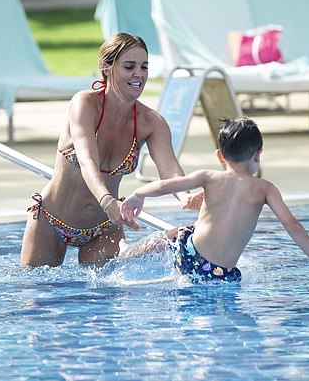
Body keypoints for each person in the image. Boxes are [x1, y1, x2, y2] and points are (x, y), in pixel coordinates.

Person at [21, 33, 189, 267]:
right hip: (53, 221)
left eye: (144, 67)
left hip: (103, 228)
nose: (139, 74)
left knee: (103, 299)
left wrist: (186, 195)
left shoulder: (151, 122)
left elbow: (170, 172)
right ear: (106, 67)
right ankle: (141, 248)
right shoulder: (84, 104)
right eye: (129, 67)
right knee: (38, 293)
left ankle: (153, 245)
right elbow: (88, 160)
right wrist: (107, 201)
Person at [120, 118, 309, 292]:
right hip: (220, 273)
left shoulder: (208, 177)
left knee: (184, 232)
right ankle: (143, 262)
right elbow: (291, 224)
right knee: (199, 270)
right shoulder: (265, 189)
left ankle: (129, 252)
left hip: (188, 253)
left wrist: (138, 194)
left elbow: (165, 186)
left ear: (220, 156)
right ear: (258, 155)